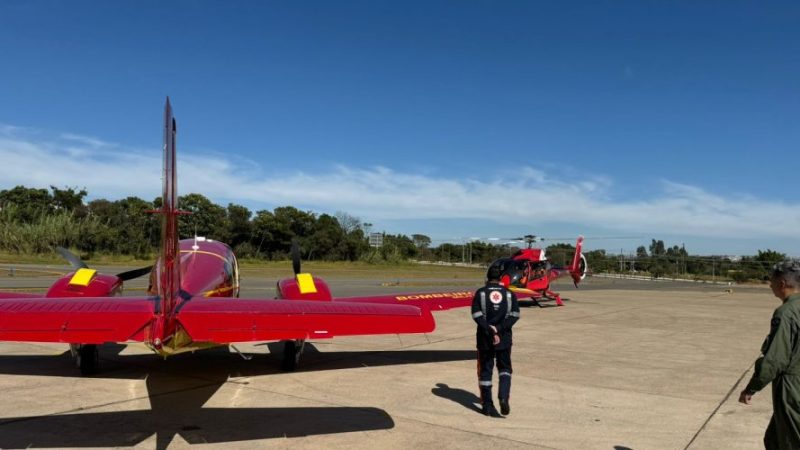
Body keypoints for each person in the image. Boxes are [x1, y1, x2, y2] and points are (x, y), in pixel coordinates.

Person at [739, 259, 800, 449]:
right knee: (773, 440)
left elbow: (775, 359)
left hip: (792, 388)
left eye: (771, 281)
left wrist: (751, 388)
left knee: (790, 443)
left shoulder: (786, 313)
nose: (769, 284)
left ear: (782, 284)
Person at [472, 264, 520, 417]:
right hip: (504, 339)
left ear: (487, 277)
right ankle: (504, 397)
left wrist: (490, 329)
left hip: (485, 338)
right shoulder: (509, 294)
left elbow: (476, 315)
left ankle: (487, 406)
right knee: (505, 369)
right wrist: (499, 329)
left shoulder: (480, 293)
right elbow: (515, 315)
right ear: (500, 278)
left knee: (485, 371)